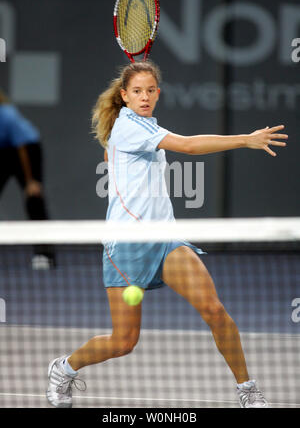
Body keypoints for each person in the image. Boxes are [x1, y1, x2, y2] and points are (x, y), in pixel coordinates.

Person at [46, 61, 288, 408]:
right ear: (124, 96)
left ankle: (247, 390)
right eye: (137, 91)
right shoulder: (129, 128)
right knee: (124, 340)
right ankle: (64, 368)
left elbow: (117, 155)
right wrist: (245, 140)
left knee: (215, 311)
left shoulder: (142, 126)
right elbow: (188, 146)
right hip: (126, 246)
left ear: (157, 94)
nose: (144, 97)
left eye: (150, 90)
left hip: (165, 241)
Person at [0, 88, 55, 270]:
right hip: (5, 151)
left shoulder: (7, 115)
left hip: (27, 152)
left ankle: (44, 254)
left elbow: (22, 147)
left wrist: (31, 180)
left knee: (34, 199)